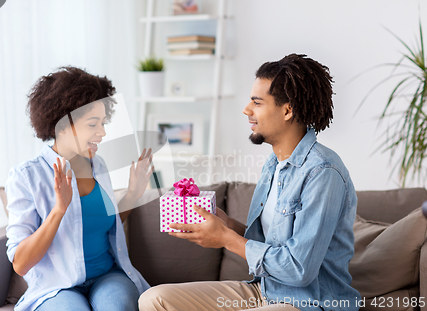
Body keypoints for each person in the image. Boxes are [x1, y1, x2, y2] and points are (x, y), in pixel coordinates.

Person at [139, 54, 361, 311]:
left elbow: (299, 269)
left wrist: (225, 239)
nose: (246, 110)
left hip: (308, 303)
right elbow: (271, 244)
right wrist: (228, 225)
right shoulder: (274, 164)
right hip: (265, 290)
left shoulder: (323, 172)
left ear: (287, 110)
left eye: (257, 102)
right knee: (154, 300)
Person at [5, 66, 153, 311]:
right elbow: (20, 263)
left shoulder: (99, 165)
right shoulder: (27, 177)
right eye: (93, 124)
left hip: (107, 277)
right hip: (56, 286)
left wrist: (133, 194)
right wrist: (58, 210)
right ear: (62, 124)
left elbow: (104, 223)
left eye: (103, 123)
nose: (103, 132)